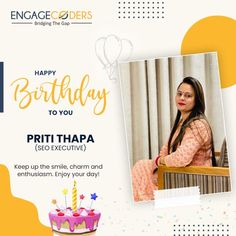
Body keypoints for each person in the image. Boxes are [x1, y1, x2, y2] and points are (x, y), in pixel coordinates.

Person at [132, 77, 216, 202]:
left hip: (193, 178)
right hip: (176, 173)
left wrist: (160, 162)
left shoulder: (198, 125)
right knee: (142, 166)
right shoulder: (182, 122)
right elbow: (166, 149)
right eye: (179, 94)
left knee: (142, 170)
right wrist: (158, 164)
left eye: (188, 96)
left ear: (196, 100)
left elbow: (181, 158)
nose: (182, 98)